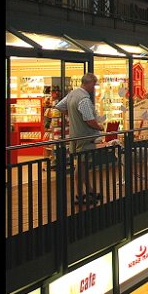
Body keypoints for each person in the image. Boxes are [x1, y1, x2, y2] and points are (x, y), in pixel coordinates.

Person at [53, 73, 104, 205]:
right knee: (81, 166)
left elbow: (59, 106)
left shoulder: (72, 94)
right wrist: (100, 127)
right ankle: (80, 194)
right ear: (89, 83)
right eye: (94, 84)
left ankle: (90, 190)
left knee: (84, 165)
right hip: (85, 137)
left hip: (74, 136)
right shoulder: (84, 99)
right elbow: (89, 119)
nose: (94, 88)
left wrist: (72, 116)